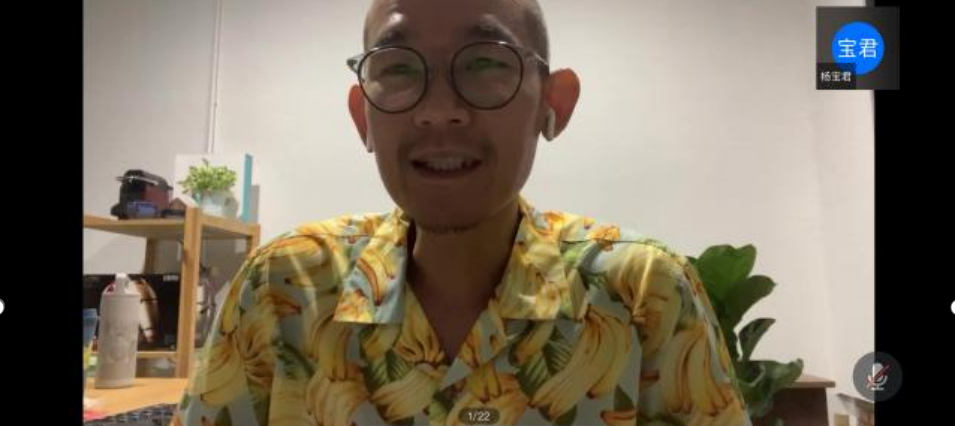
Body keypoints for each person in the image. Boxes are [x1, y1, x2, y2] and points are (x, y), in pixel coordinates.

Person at [174, 1, 750, 425]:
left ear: (553, 104)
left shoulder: (642, 293)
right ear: (362, 116)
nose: (440, 110)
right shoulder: (284, 291)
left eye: (485, 63)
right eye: (399, 68)